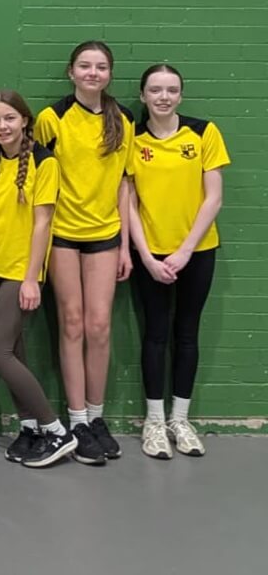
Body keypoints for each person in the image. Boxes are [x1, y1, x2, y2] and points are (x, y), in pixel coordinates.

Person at [33, 40, 134, 465]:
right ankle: (76, 421)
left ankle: (96, 417)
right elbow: (37, 176)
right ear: (71, 72)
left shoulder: (123, 120)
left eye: (101, 67)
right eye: (85, 66)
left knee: (99, 326)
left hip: (105, 234)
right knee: (72, 323)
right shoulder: (51, 118)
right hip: (62, 235)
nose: (93, 73)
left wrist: (125, 244)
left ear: (109, 74)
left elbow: (125, 184)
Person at [127, 64, 229, 459]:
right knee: (154, 334)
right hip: (150, 254)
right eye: (155, 90)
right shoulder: (132, 139)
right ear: (143, 95)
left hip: (197, 252)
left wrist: (185, 250)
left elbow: (213, 198)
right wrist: (147, 256)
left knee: (187, 333)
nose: (164, 97)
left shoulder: (204, 133)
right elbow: (128, 202)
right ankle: (154, 422)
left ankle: (180, 420)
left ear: (181, 96)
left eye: (171, 90)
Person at [0, 90, 77, 468]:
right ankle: (30, 428)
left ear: (24, 120)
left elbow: (42, 223)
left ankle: (57, 430)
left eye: (9, 118)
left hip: (21, 272)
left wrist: (32, 278)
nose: (2, 126)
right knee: (14, 351)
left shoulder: (43, 161)